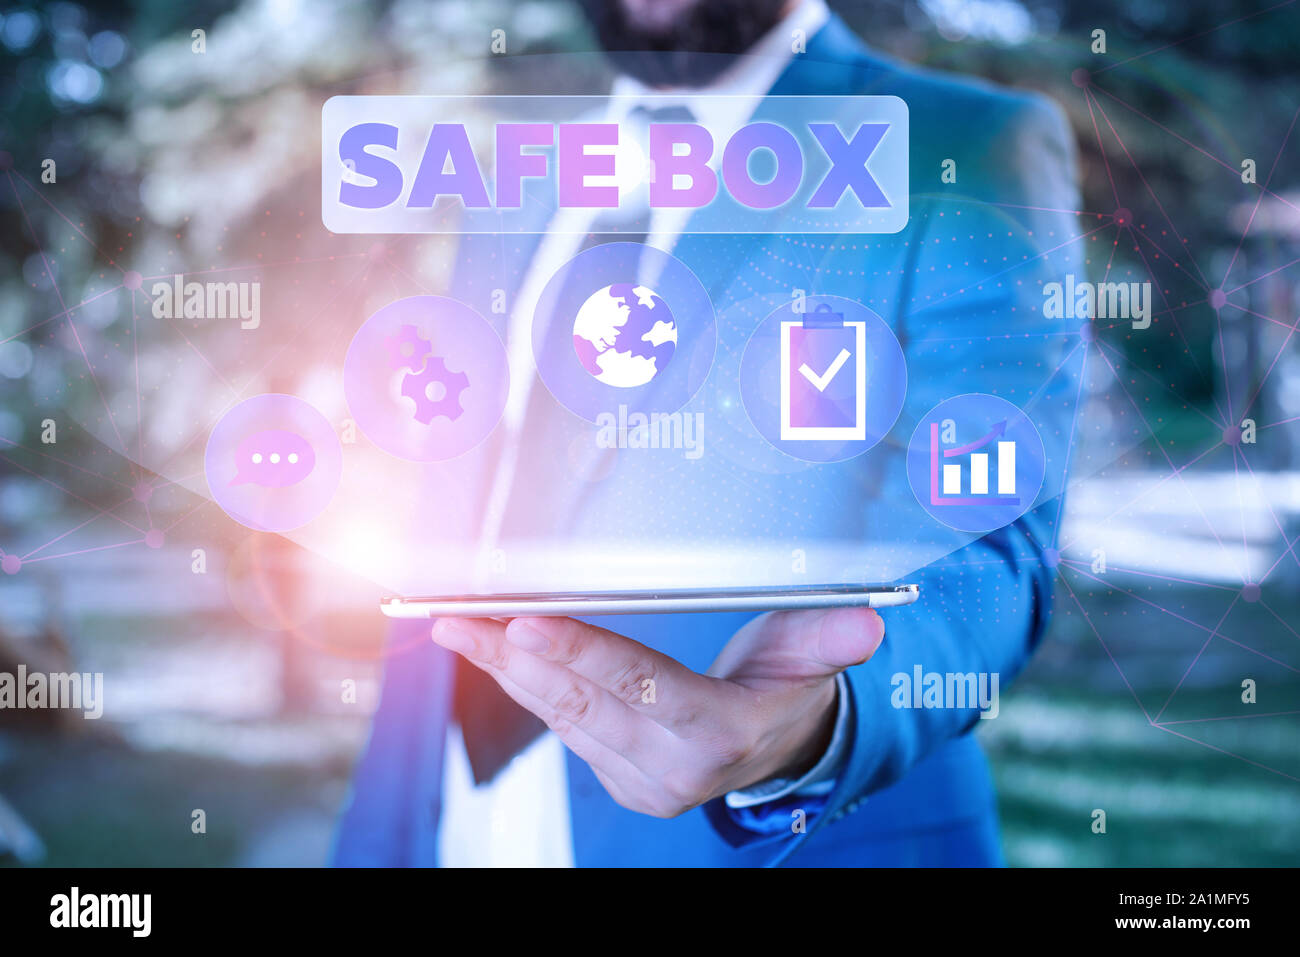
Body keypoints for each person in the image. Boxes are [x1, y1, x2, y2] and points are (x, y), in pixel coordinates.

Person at [332, 0, 1083, 866]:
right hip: (458, 814)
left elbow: (988, 552)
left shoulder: (964, 148)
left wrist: (819, 721)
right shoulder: (518, 174)